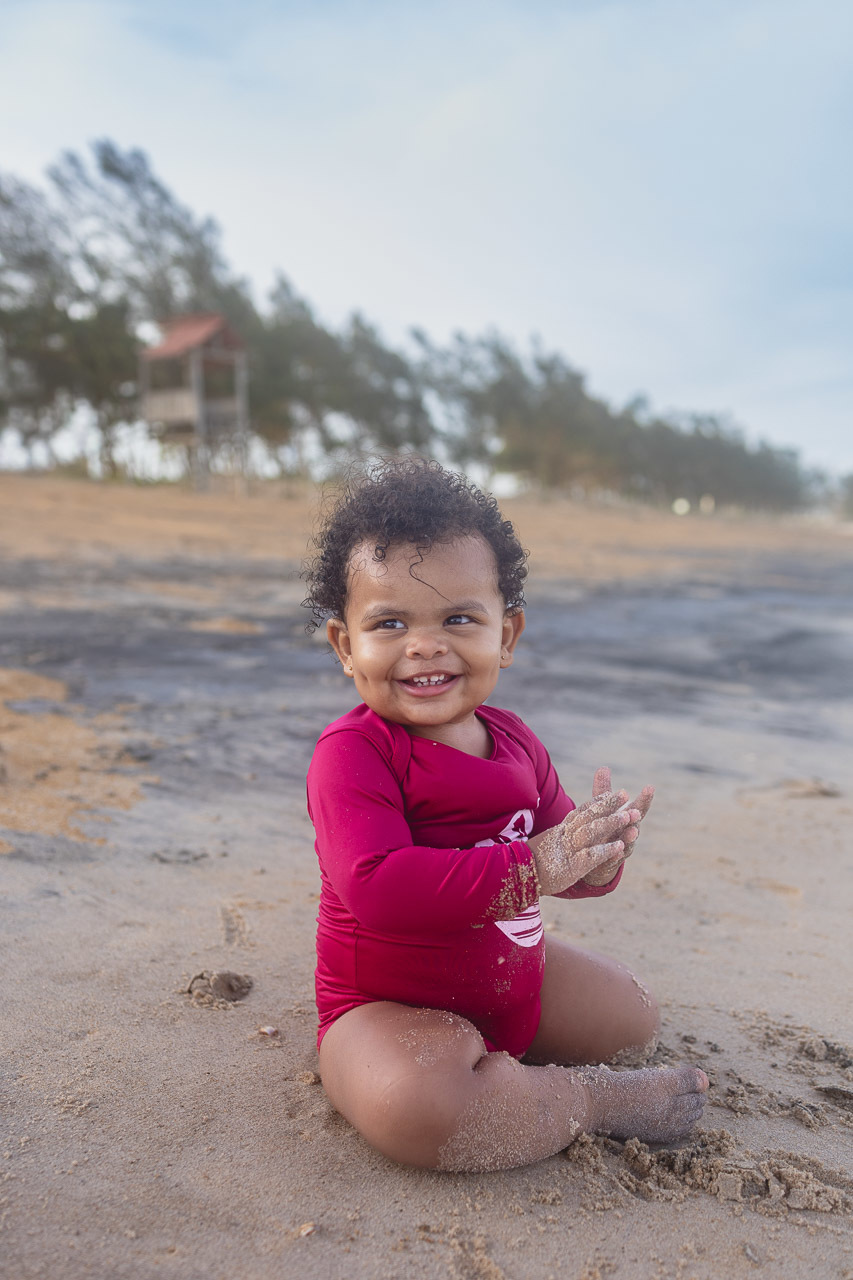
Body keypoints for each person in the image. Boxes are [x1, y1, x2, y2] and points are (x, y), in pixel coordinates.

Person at [303, 458, 708, 1172]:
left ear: (507, 635)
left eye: (458, 619)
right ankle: (585, 1101)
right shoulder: (353, 754)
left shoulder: (515, 740)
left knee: (634, 1014)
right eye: (390, 622)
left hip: (510, 979)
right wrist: (535, 866)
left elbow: (560, 858)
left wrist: (597, 856)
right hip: (386, 1007)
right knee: (417, 1109)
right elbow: (378, 885)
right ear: (346, 646)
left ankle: (511, 1071)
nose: (424, 645)